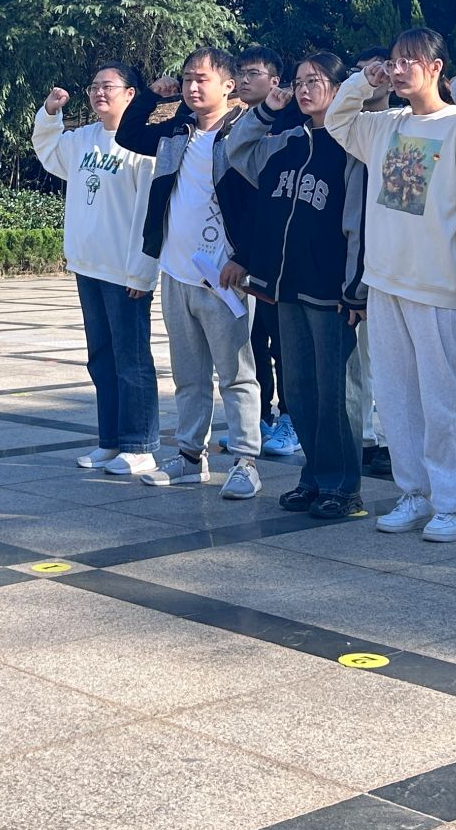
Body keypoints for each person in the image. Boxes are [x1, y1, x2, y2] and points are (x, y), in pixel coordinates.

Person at [326, 28, 456, 543]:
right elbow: (337, 120)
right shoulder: (385, 126)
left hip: (438, 287)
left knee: (444, 398)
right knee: (397, 397)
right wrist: (363, 80)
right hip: (385, 281)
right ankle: (415, 492)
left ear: (436, 67)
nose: (399, 70)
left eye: (410, 61)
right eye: (394, 61)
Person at [224, 53, 368, 519]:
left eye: (316, 81)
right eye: (300, 82)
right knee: (300, 389)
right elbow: (234, 150)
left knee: (336, 393)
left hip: (331, 292)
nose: (304, 90)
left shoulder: (352, 146)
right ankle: (315, 476)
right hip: (285, 288)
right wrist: (268, 110)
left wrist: (355, 288)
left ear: (339, 89)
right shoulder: (285, 142)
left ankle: (343, 486)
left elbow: (358, 224)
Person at [116, 48, 263, 497]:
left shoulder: (246, 133)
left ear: (228, 85)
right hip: (177, 272)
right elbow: (128, 135)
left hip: (225, 278)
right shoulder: (176, 132)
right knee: (188, 375)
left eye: (202, 79)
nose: (192, 87)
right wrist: (148, 95)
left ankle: (245, 461)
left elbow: (262, 204)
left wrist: (247, 258)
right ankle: (188, 457)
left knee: (236, 374)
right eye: (186, 79)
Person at [33, 63, 161, 478]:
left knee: (131, 360)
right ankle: (111, 441)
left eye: (108, 86)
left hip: (124, 270)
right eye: (94, 87)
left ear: (131, 94)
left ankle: (140, 446)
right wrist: (50, 114)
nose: (99, 93)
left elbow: (150, 213)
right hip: (87, 265)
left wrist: (143, 271)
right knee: (102, 359)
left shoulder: (142, 146)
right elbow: (49, 151)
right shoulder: (84, 139)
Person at [233, 44, 294, 459]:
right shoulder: (237, 123)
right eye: (240, 73)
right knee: (252, 341)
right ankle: (261, 417)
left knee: (282, 343)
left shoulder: (292, 123)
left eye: (252, 73)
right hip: (244, 253)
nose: (243, 80)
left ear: (275, 81)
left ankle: (291, 418)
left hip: (277, 253)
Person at [346, 44, 391, 475]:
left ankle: (394, 442)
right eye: (360, 72)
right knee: (356, 362)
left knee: (389, 363)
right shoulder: (350, 131)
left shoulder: (397, 126)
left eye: (378, 70)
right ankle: (361, 438)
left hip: (393, 265)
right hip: (352, 265)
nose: (370, 78)